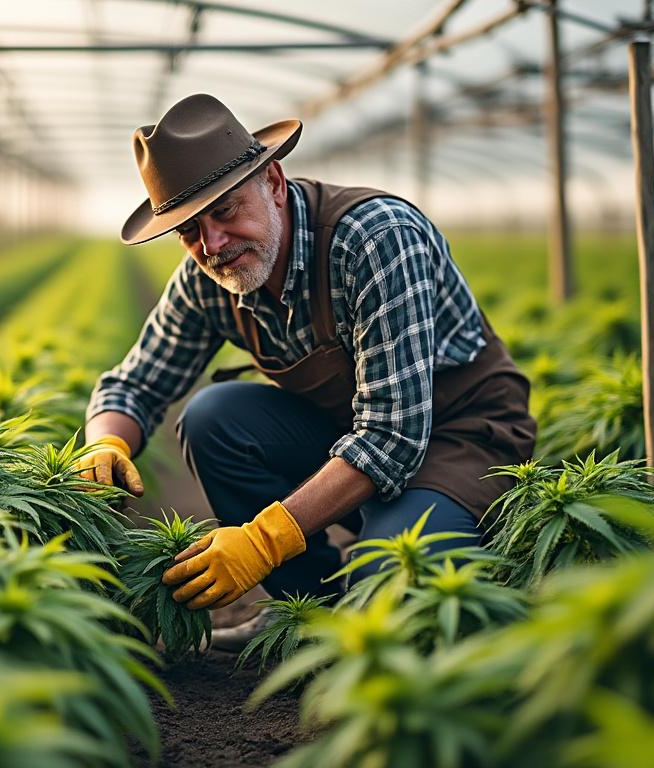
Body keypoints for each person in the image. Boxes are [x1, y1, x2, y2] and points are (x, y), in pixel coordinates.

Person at [77, 93, 535, 644]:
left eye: (225, 212)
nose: (212, 244)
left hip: (456, 436)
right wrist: (105, 444)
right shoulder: (205, 275)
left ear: (272, 181)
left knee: (392, 589)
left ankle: (370, 594)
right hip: (348, 431)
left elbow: (392, 437)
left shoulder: (374, 237)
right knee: (213, 417)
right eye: (189, 230)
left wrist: (262, 541)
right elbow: (136, 383)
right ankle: (308, 612)